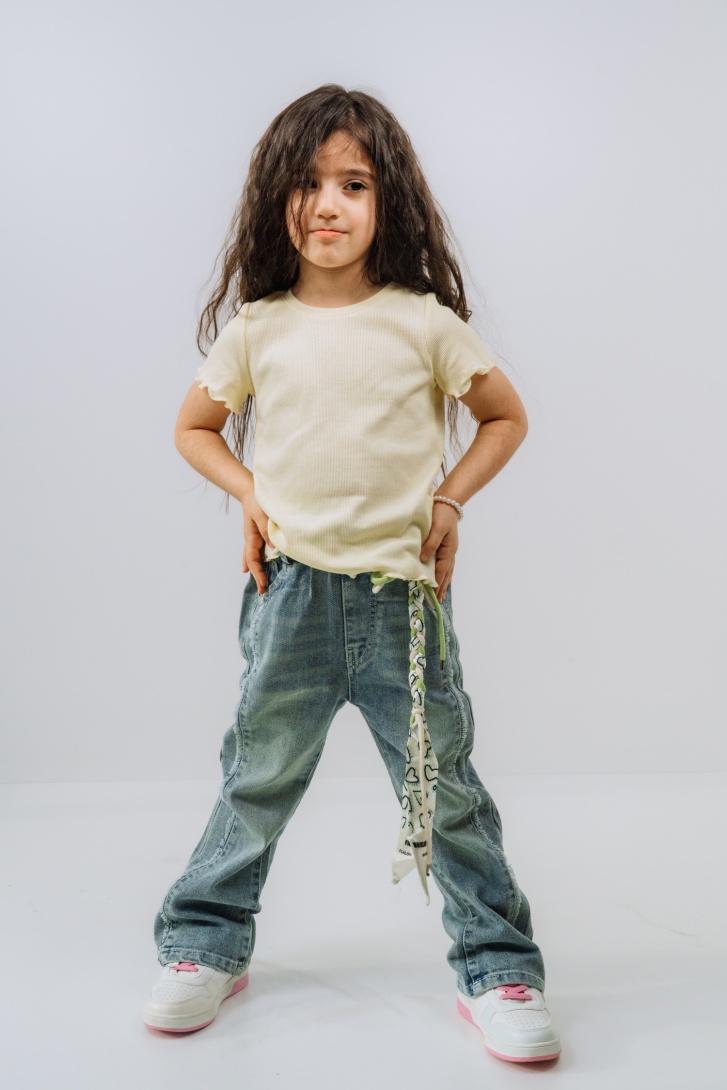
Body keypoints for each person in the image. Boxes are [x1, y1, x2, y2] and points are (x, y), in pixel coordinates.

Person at [142, 83, 561, 1064]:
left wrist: (448, 502)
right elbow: (195, 429)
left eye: (354, 184)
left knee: (442, 786)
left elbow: (504, 416)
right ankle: (204, 942)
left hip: (400, 605)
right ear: (276, 199)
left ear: (388, 201)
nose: (327, 204)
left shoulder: (423, 322)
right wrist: (250, 493)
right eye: (307, 183)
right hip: (288, 595)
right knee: (256, 776)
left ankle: (497, 965)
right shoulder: (259, 327)